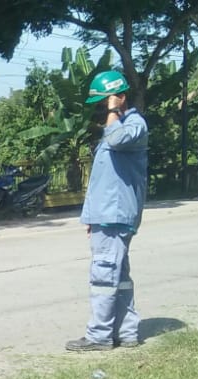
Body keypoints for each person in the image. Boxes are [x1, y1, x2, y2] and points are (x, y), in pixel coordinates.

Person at [67, 69, 148, 352]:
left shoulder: (133, 125)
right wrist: (92, 217)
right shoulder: (120, 125)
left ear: (120, 97)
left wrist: (114, 111)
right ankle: (127, 333)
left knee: (104, 275)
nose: (102, 110)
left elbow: (116, 141)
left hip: (115, 215)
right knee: (119, 277)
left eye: (105, 103)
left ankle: (99, 336)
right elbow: (105, 178)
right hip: (106, 215)